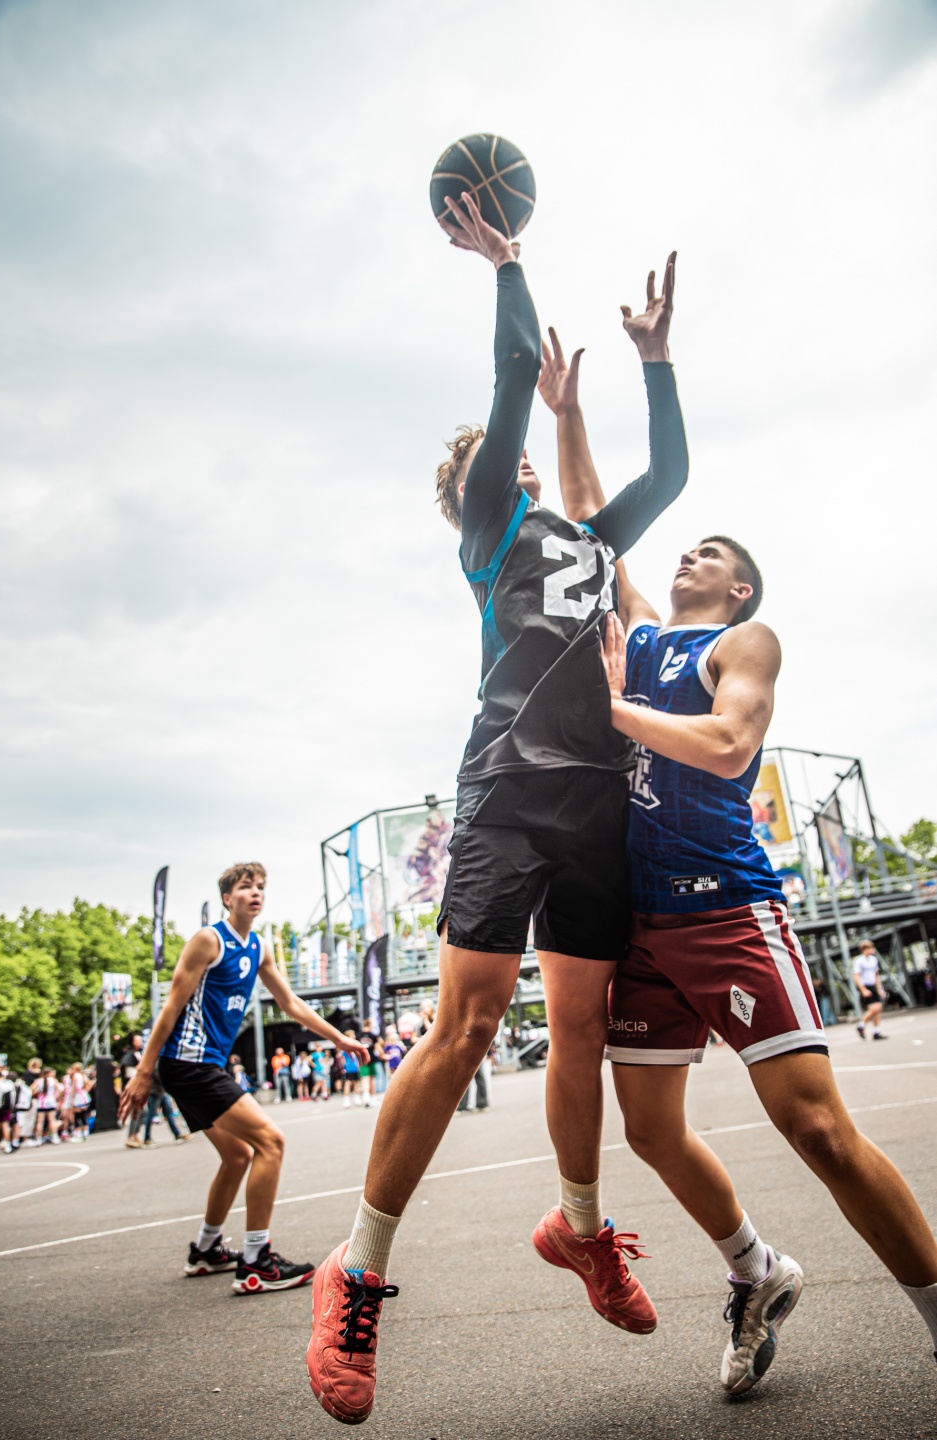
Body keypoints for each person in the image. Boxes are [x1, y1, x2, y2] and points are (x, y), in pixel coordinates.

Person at [306, 193, 688, 1427]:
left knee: (578, 1029)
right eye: (498, 457)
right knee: (466, 1025)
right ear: (473, 488)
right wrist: (508, 266)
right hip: (510, 794)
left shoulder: (588, 539)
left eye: (518, 455)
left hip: (596, 808)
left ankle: (579, 1228)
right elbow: (513, 375)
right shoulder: (488, 537)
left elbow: (672, 474)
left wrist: (654, 362)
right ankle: (356, 1271)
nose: (517, 459)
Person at [547, 364, 937, 1396]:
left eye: (711, 552)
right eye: (687, 547)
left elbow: (727, 748)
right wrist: (568, 412)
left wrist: (608, 711)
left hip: (724, 908)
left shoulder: (740, 642)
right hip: (639, 926)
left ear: (739, 588)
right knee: (649, 1130)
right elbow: (594, 527)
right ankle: (757, 1271)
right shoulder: (637, 636)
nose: (689, 553)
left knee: (816, 1128)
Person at [118, 861, 368, 1294]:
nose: (255, 892)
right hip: (189, 1064)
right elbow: (171, 1005)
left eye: (261, 886)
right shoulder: (208, 940)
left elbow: (290, 1003)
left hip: (204, 1065)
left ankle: (206, 1249)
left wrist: (338, 1038)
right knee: (271, 1142)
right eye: (246, 886)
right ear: (227, 898)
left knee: (237, 1156)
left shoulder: (259, 947)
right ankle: (256, 1263)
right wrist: (143, 1072)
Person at [142, 1065, 189, 1145]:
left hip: (161, 1091)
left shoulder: (158, 1061)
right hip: (155, 1092)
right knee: (151, 1114)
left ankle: (177, 1134)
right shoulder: (154, 1061)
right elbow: (157, 1075)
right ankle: (147, 1138)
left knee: (169, 1112)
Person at [854, 940, 887, 1040]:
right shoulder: (859, 960)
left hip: (873, 985)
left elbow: (876, 975)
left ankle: (876, 1032)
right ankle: (861, 1025)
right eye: (870, 948)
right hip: (865, 986)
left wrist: (879, 989)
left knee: (878, 1009)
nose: (872, 950)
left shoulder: (874, 960)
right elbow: (857, 976)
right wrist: (863, 989)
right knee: (875, 1008)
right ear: (865, 949)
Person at [119, 1034, 147, 1149]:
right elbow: (128, 1072)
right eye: (137, 1040)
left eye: (141, 1040)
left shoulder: (138, 1053)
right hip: (133, 1088)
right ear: (132, 1042)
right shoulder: (129, 1055)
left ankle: (134, 1135)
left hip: (138, 1086)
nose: (140, 1042)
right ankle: (131, 1136)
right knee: (139, 1112)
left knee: (141, 1112)